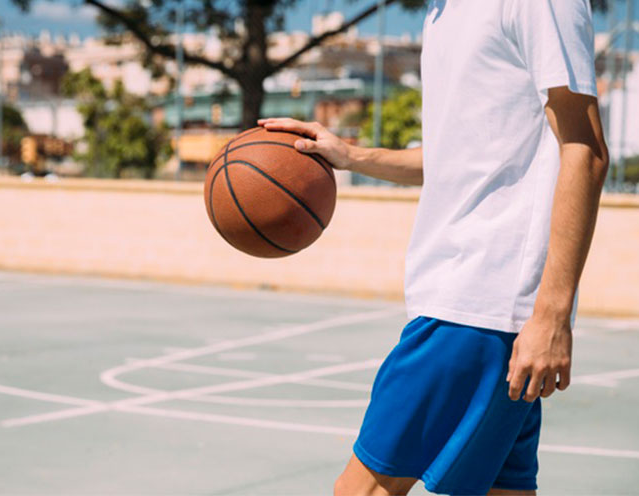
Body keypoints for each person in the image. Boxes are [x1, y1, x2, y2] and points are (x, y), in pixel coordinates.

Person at [259, 0, 609, 494]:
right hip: (479, 309)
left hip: (478, 307)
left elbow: (585, 148)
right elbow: (460, 156)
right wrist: (351, 155)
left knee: (361, 490)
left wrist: (551, 315)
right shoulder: (443, 13)